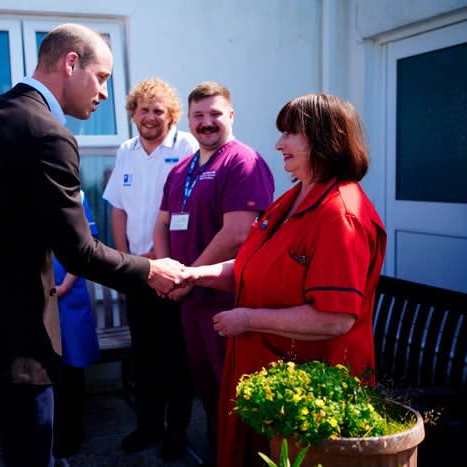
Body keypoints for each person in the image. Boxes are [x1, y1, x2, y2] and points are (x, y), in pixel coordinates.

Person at [0, 23, 188, 467]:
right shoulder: (48, 134)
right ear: (71, 63)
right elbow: (77, 250)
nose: (103, 94)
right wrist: (150, 271)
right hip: (14, 339)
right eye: (101, 78)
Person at [187, 93, 387, 466]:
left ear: (326, 139)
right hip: (266, 378)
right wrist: (194, 274)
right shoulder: (292, 197)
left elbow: (334, 318)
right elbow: (253, 266)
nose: (279, 144)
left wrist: (246, 319)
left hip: (308, 398)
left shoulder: (341, 215)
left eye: (291, 133)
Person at [153, 81, 274, 465]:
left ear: (231, 116)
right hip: (189, 299)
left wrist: (188, 275)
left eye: (215, 114)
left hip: (227, 300)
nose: (206, 123)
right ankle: (219, 454)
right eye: (199, 116)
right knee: (207, 391)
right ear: (188, 120)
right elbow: (162, 223)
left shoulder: (243, 162)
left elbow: (239, 232)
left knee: (235, 393)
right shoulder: (182, 170)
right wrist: (167, 270)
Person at [102, 77, 198, 460]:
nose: (150, 117)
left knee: (176, 358)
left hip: (175, 272)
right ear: (133, 113)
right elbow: (117, 209)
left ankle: (176, 432)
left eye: (158, 110)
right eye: (144, 109)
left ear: (171, 115)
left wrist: (172, 268)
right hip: (139, 271)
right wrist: (126, 265)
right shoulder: (126, 150)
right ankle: (147, 427)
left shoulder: (187, 147)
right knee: (144, 357)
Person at [52, 190, 100, 459]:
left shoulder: (76, 196)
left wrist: (64, 285)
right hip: (34, 297)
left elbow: (87, 243)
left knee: (72, 365)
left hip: (68, 294)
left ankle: (73, 429)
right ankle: (52, 430)